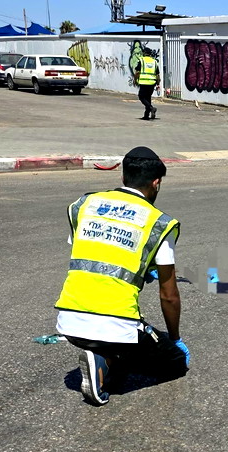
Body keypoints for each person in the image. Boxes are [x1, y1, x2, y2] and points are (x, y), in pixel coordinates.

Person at [54, 146, 188, 405]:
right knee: (175, 362)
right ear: (156, 183)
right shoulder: (159, 222)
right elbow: (168, 295)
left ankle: (103, 356)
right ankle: (105, 359)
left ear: (124, 177)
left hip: (70, 322)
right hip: (117, 325)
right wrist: (175, 338)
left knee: (127, 342)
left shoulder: (83, 205)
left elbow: (95, 252)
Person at [134, 53, 160, 120]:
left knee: (141, 96)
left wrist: (135, 79)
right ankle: (146, 115)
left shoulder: (142, 60)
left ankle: (151, 108)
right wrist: (158, 83)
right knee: (148, 98)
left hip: (144, 82)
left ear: (144, 53)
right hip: (152, 83)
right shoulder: (154, 61)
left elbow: (137, 72)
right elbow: (157, 74)